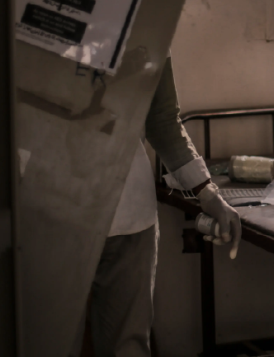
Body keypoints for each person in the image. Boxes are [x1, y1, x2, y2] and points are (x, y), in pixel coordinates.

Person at [70, 56, 241, 357]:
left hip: (125, 210)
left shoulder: (150, 20)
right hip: (47, 207)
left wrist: (207, 193)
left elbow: (160, 119)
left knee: (126, 346)